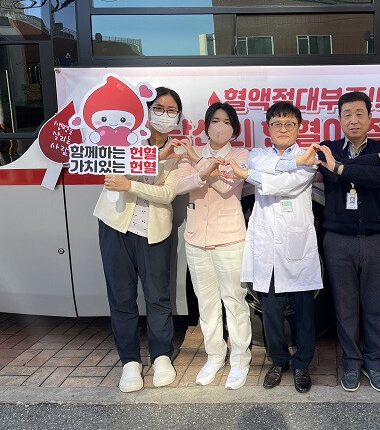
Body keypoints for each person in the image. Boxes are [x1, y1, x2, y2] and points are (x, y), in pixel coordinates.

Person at [226, 101, 322, 393]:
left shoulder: (310, 157)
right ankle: (279, 361)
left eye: (289, 124)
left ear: (299, 127)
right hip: (267, 246)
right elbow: (262, 169)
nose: (283, 129)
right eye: (277, 124)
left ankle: (302, 364)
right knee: (270, 312)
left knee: (304, 313)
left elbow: (287, 186)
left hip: (297, 246)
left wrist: (248, 176)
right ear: (268, 128)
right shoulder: (257, 154)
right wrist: (279, 168)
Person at [94, 86, 183, 393]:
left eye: (171, 111)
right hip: (115, 226)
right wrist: (155, 159)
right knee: (121, 297)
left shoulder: (179, 152)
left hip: (154, 231)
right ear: (145, 111)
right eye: (158, 108)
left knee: (158, 296)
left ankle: (161, 356)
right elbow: (112, 176)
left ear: (178, 117)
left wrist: (131, 184)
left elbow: (167, 193)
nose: (164, 115)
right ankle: (130, 361)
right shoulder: (124, 139)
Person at [315, 91, 380, 392]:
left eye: (359, 113)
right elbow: (333, 177)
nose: (353, 120)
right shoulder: (328, 149)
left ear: (369, 117)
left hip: (377, 239)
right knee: (346, 307)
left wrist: (343, 167)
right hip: (338, 240)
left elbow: (377, 178)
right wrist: (373, 162)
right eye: (347, 114)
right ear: (339, 119)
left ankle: (374, 363)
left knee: (376, 307)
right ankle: (352, 363)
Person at [173, 102, 252, 389]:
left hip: (229, 239)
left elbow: (226, 186)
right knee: (206, 304)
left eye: (227, 122)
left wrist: (199, 163)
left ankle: (240, 359)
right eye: (216, 121)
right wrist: (202, 168)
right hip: (196, 239)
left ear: (235, 129)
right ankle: (215, 356)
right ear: (206, 125)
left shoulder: (241, 155)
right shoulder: (189, 153)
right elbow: (178, 187)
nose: (221, 127)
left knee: (234, 301)